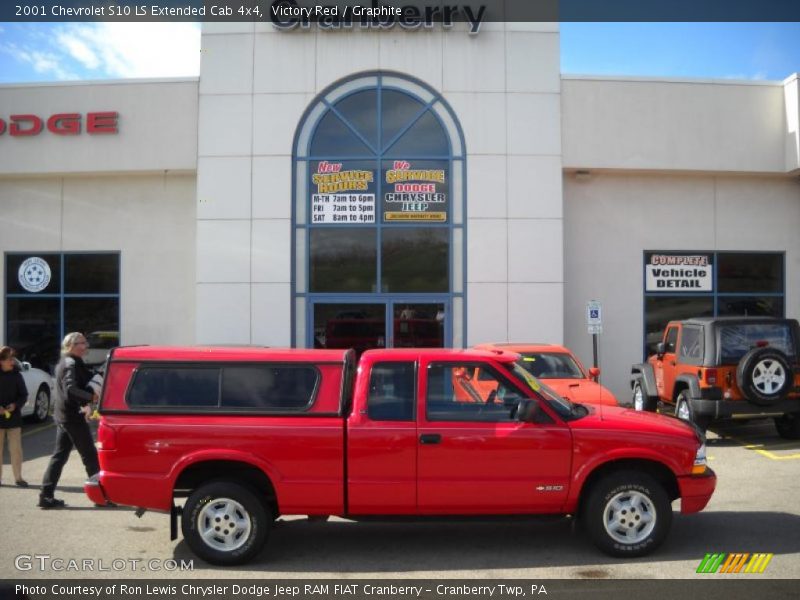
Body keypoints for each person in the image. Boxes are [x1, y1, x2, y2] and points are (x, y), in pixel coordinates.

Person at [39, 332, 100, 509]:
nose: (86, 346)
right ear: (72, 346)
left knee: (59, 456)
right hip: (72, 417)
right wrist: (91, 397)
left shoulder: (72, 362)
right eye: (83, 343)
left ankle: (46, 496)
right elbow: (71, 389)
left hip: (66, 416)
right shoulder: (70, 363)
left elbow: (82, 381)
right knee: (90, 456)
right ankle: (100, 496)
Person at [0, 346, 28, 487]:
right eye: (9, 359)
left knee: (16, 449)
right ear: (1, 361)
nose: (12, 361)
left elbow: (24, 395)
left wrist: (15, 405)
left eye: (13, 358)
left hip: (14, 417)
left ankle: (18, 477)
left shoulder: (17, 375)